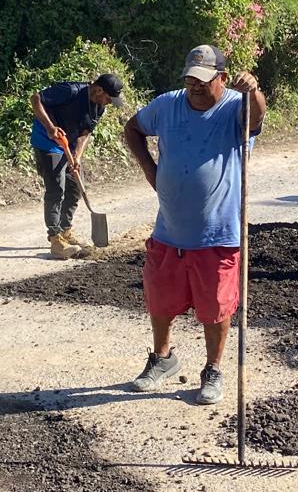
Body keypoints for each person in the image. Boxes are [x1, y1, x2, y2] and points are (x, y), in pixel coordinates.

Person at [123, 45, 264, 405]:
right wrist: (151, 172)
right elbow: (133, 129)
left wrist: (254, 92)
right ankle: (162, 358)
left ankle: (212, 369)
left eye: (203, 81)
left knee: (215, 307)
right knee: (160, 299)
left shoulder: (236, 105)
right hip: (169, 229)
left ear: (222, 78)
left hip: (217, 234)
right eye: (190, 80)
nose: (196, 87)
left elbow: (256, 120)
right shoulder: (168, 104)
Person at [30, 73, 126, 259]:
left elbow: (85, 132)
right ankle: (56, 239)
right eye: (108, 98)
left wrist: (77, 155)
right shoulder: (71, 91)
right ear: (98, 90)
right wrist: (50, 128)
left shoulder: (99, 108)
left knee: (75, 187)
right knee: (56, 189)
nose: (108, 102)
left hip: (69, 145)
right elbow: (36, 99)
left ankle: (66, 230)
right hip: (47, 142)